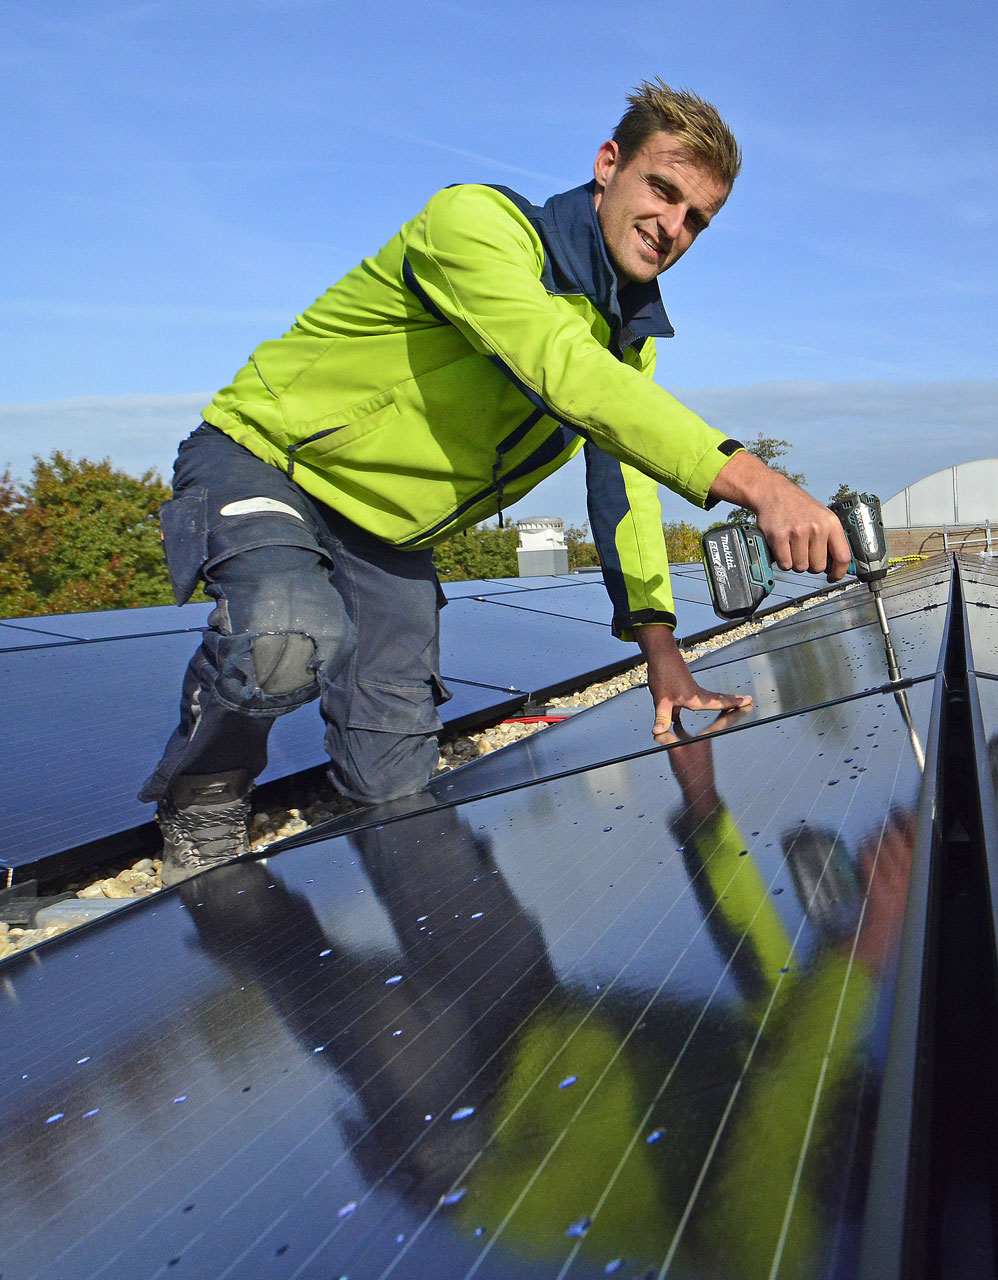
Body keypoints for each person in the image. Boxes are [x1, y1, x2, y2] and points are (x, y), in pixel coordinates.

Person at [143, 81, 851, 885]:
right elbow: (562, 369)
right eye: (663, 189)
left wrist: (663, 652)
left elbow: (625, 495)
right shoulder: (477, 226)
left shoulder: (625, 344)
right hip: (270, 456)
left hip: (388, 534)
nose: (673, 227)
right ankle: (203, 790)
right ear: (608, 164)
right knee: (286, 633)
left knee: (393, 788)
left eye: (697, 218)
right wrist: (758, 481)